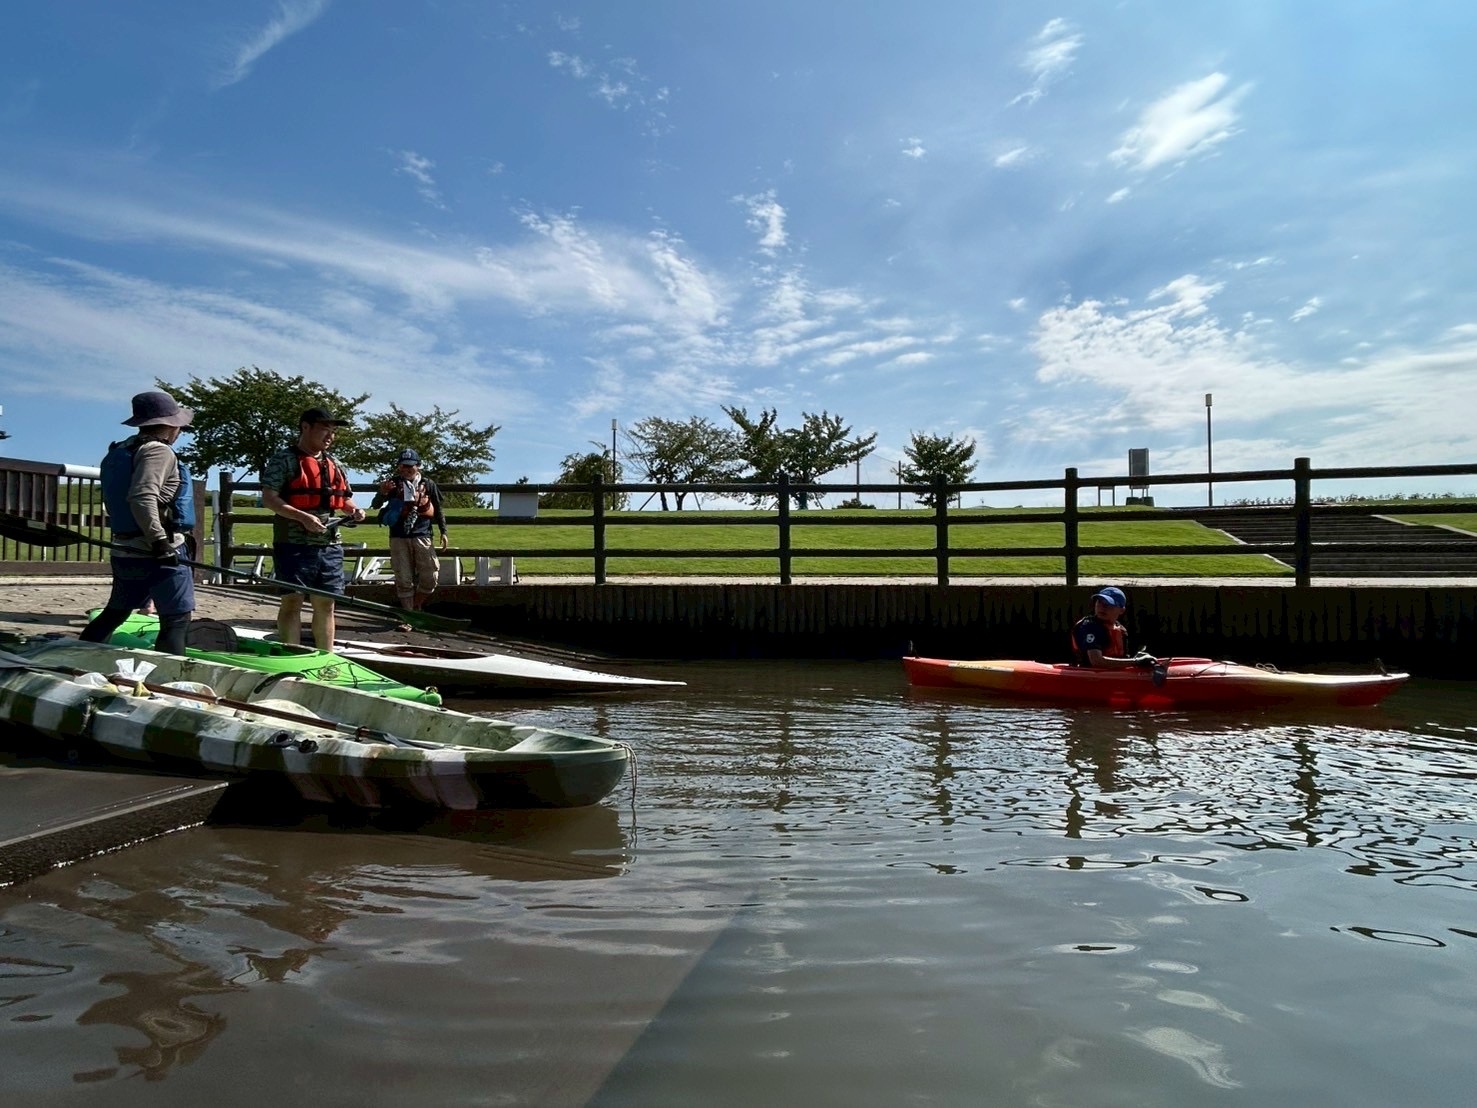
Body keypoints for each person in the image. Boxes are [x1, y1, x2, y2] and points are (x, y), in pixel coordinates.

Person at [79, 391, 197, 655]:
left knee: (116, 612)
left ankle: (78, 656)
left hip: (125, 550)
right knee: (176, 620)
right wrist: (159, 542)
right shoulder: (158, 451)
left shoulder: (121, 451)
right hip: (158, 551)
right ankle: (170, 682)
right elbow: (142, 497)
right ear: (170, 425)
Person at [261, 406, 367, 650]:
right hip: (293, 544)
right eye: (324, 429)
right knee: (292, 601)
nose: (330, 436)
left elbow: (343, 499)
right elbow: (269, 498)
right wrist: (302, 517)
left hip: (329, 545)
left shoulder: (335, 464)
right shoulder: (284, 459)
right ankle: (292, 655)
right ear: (305, 427)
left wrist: (354, 511)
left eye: (333, 431)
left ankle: (325, 658)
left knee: (327, 603)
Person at [369, 447, 449, 630]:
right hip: (398, 536)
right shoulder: (392, 484)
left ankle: (414, 607)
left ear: (418, 466)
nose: (405, 470)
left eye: (409, 466)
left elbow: (438, 508)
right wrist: (382, 493)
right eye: (402, 466)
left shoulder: (428, 484)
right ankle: (409, 618)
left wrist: (444, 531)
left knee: (430, 576)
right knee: (403, 579)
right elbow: (375, 505)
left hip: (422, 534)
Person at [1070, 586, 1157, 670]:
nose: (1102, 607)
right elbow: (1096, 661)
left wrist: (1140, 660)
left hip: (1112, 677)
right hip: (1089, 677)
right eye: (1100, 602)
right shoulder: (1089, 627)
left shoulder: (1121, 630)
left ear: (1121, 610)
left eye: (1109, 604)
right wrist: (1136, 662)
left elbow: (1124, 660)